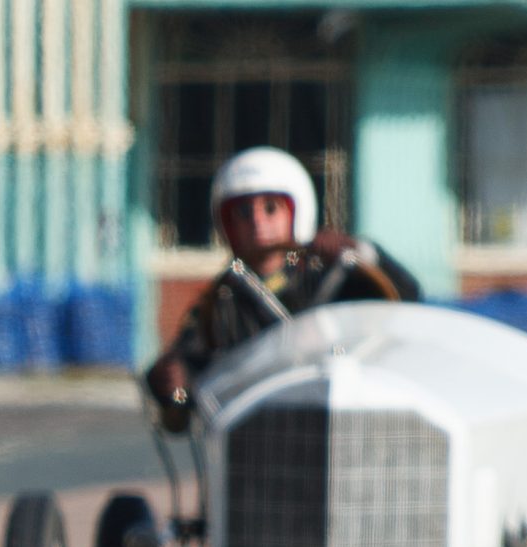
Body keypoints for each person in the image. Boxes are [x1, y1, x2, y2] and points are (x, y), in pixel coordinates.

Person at [144, 146, 421, 432]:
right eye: (242, 212)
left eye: (270, 209)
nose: (257, 222)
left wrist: (360, 251)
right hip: (260, 433)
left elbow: (406, 298)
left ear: (296, 210)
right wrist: (171, 386)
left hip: (341, 423)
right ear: (226, 223)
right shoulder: (221, 301)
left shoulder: (335, 276)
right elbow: (187, 386)